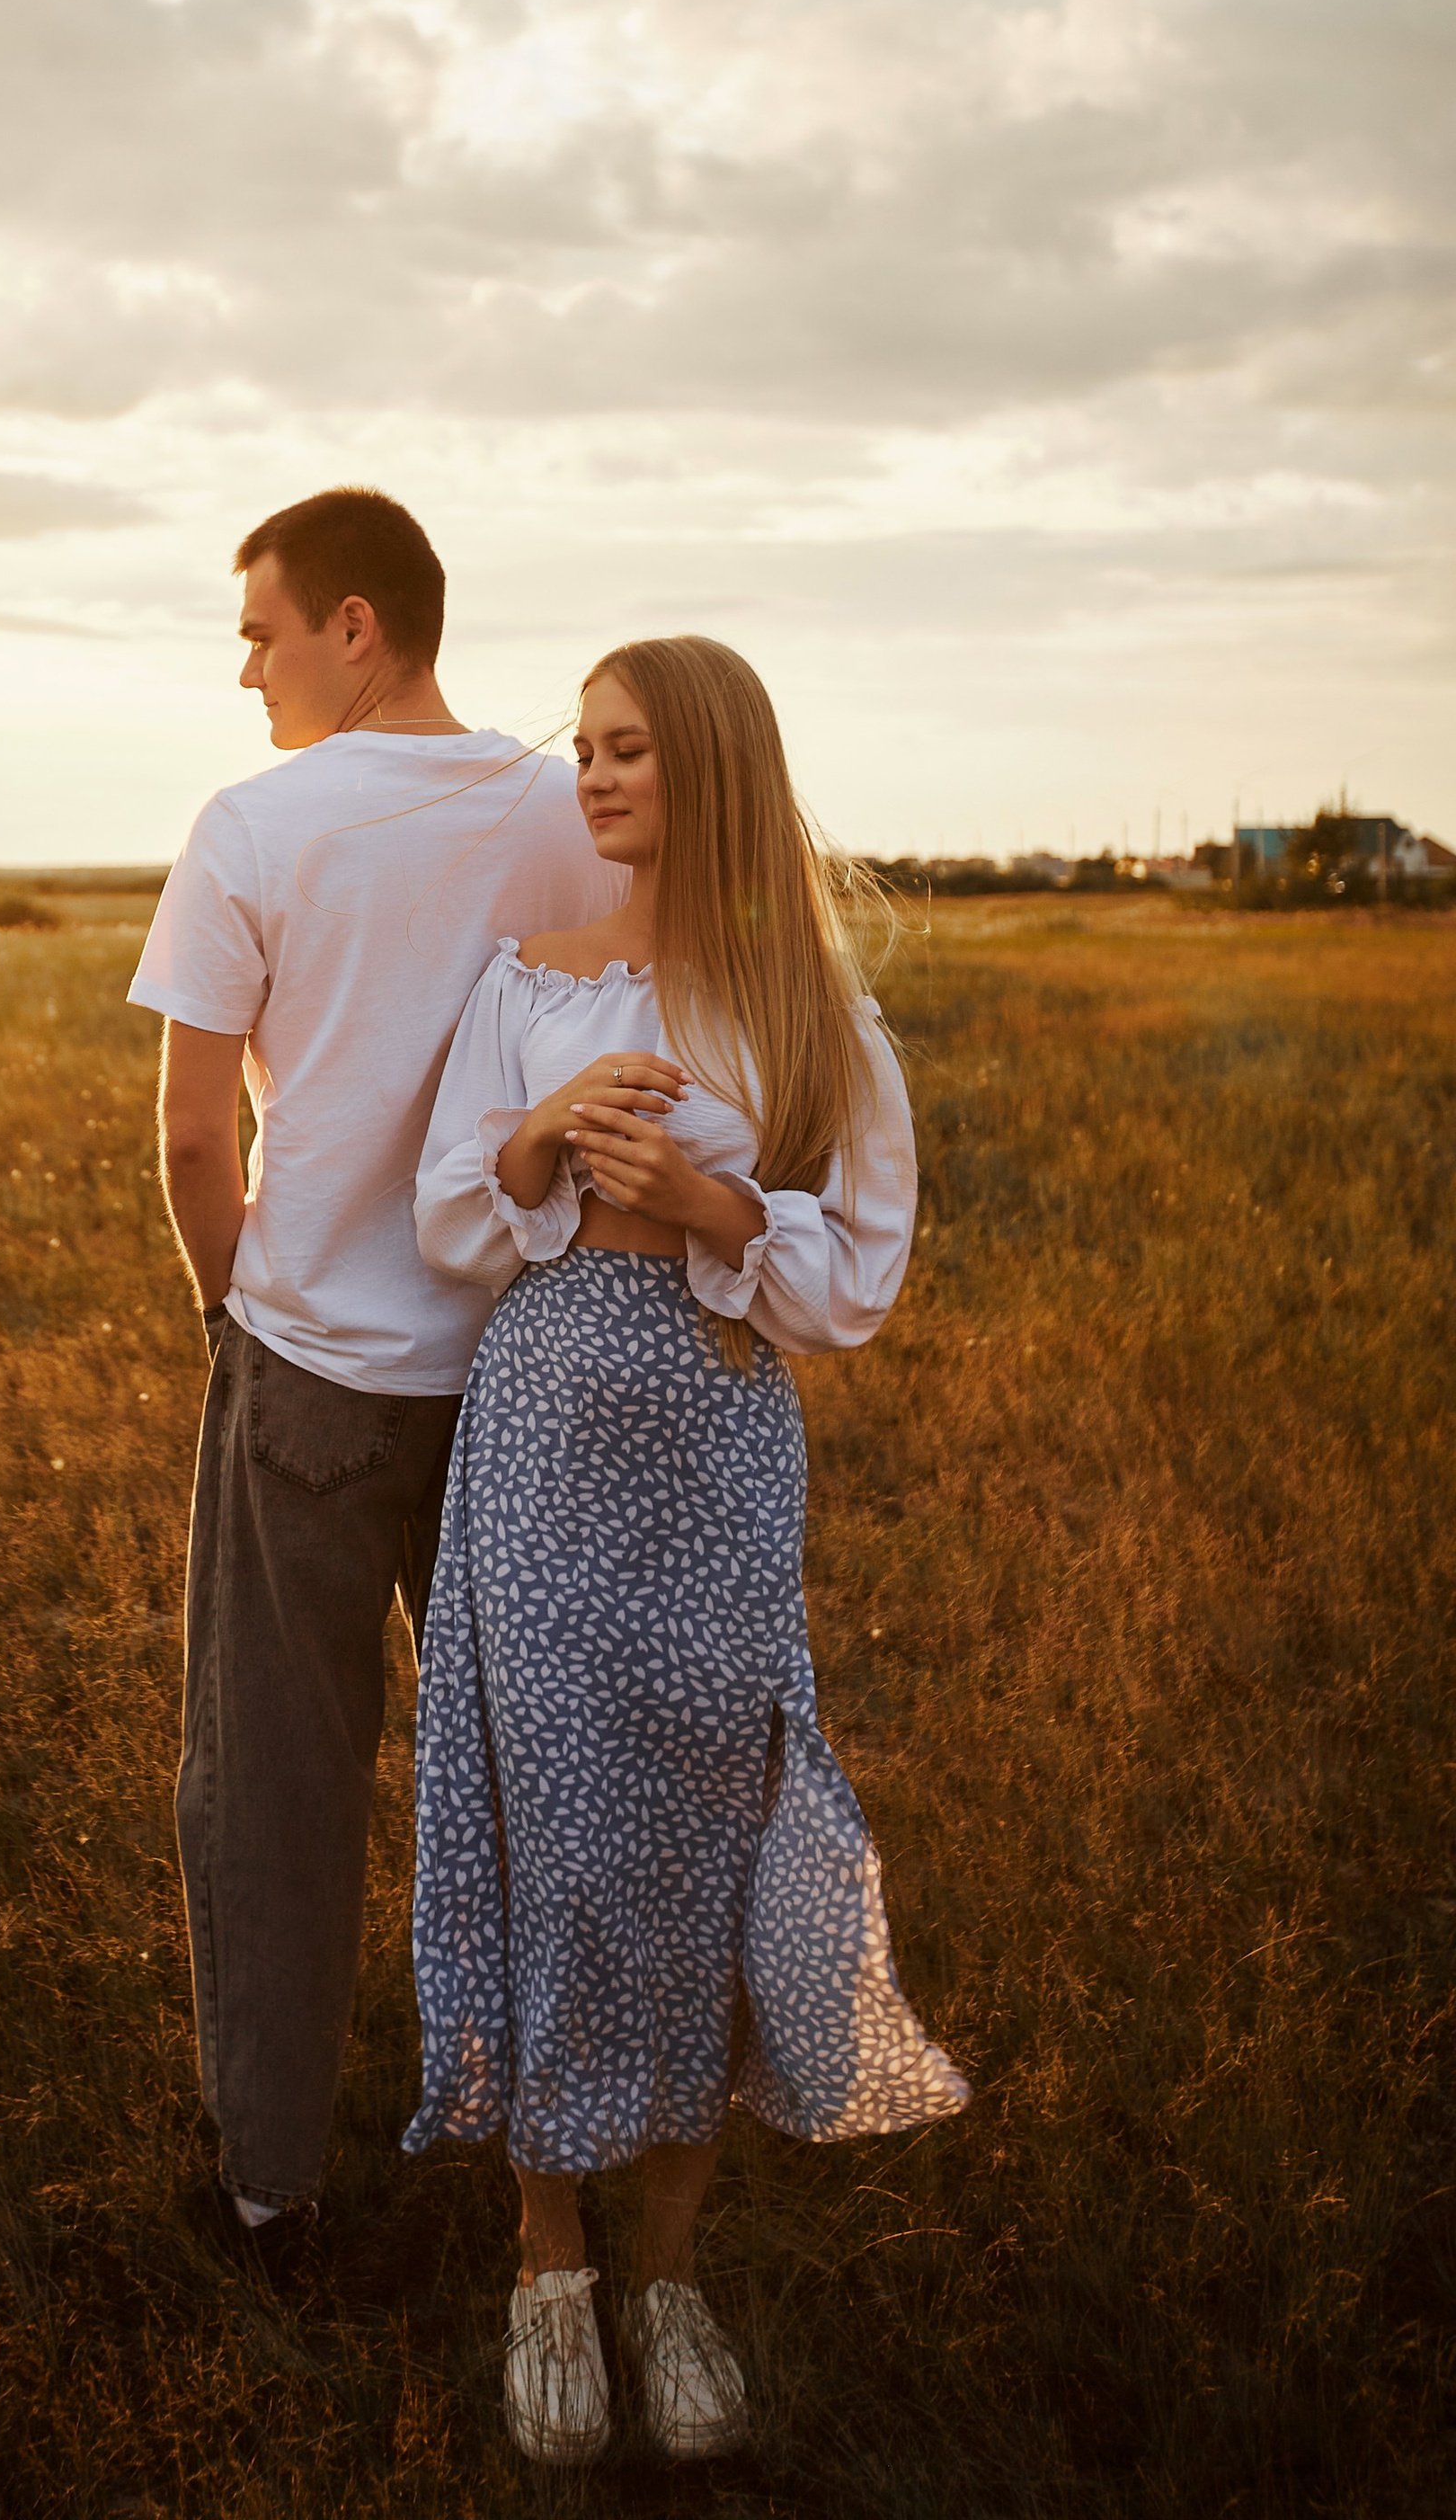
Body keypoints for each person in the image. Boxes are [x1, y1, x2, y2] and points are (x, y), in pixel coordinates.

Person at [409, 635, 968, 2464]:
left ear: (709, 766)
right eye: (581, 749)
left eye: (627, 749)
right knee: (557, 1839)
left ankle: (668, 2274)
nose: (592, 778)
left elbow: (857, 1280)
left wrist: (719, 1203)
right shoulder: (530, 988)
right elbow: (439, 1223)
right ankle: (543, 2263)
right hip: (545, 1442)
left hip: (717, 1453)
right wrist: (538, 1139)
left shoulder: (809, 1014)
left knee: (704, 1840)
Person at [129, 487, 610, 2274]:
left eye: (257, 627)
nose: (241, 662)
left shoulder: (252, 827)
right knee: (530, 1778)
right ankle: (567, 2156)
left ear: (353, 623)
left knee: (270, 1786)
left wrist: (229, 1307)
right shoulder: (564, 811)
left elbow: (192, 1138)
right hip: (522, 1375)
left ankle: (268, 2188)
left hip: (309, 1372)